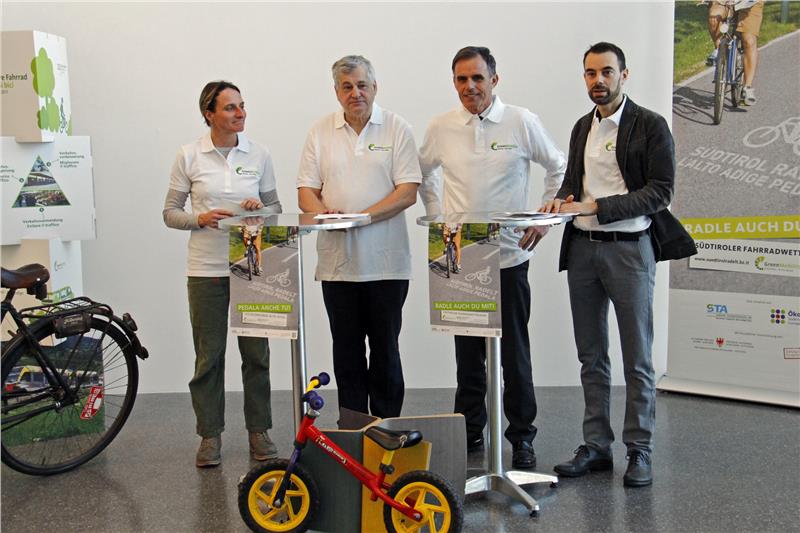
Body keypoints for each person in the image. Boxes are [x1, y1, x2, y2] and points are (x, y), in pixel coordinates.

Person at [541, 42, 696, 487]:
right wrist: (560, 202)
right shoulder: (581, 127)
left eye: (607, 72)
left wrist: (597, 206)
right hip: (583, 249)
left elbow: (661, 192)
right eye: (591, 73)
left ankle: (639, 449)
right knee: (591, 355)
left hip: (630, 250)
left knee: (637, 357)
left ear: (623, 75)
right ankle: (596, 446)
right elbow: (574, 184)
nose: (598, 80)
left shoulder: (650, 124)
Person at [418, 46, 566, 469]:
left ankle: (521, 437)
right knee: (468, 358)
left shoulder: (521, 121)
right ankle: (469, 433)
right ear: (454, 83)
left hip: (510, 257)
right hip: (461, 257)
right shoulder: (441, 127)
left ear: (494, 80)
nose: (470, 87)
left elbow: (558, 166)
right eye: (462, 79)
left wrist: (544, 218)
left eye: (478, 78)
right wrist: (437, 218)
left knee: (514, 355)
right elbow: (422, 172)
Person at [163, 80, 283, 467]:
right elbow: (170, 213)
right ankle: (209, 435)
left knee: (256, 355)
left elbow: (276, 209)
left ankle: (259, 431)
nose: (240, 113)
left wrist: (259, 210)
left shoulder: (259, 153)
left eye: (242, 106)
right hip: (205, 269)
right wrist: (199, 218)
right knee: (208, 357)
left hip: (251, 267)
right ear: (209, 114)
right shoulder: (189, 155)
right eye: (230, 107)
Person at [297, 55, 421, 419]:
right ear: (336, 91)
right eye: (347, 87)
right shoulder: (320, 132)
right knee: (346, 352)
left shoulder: (397, 128)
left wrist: (362, 218)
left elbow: (407, 192)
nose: (356, 93)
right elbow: (306, 191)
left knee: (386, 351)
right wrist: (324, 214)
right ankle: (352, 427)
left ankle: (385, 428)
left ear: (375, 87)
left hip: (387, 265)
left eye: (362, 85)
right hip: (338, 266)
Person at [705, 0, 764, 105]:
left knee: (749, 40)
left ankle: (747, 88)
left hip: (750, 3)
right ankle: (718, 50)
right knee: (714, 18)